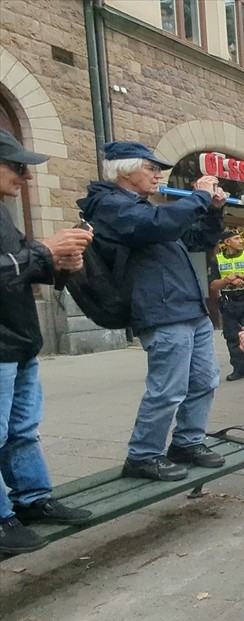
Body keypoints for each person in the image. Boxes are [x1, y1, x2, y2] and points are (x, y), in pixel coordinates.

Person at [79, 141, 228, 481]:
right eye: (151, 168)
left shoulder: (144, 209)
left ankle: (187, 442)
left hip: (188, 308)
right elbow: (157, 225)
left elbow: (196, 240)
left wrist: (214, 212)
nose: (158, 175)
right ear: (124, 171)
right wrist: (200, 197)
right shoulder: (109, 205)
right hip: (161, 310)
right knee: (168, 389)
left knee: (204, 380)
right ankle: (143, 455)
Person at [0, 131, 94, 553]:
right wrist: (44, 250)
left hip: (19, 341)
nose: (26, 177)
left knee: (21, 430)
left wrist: (60, 262)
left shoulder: (4, 215)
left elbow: (20, 268)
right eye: (18, 166)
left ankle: (32, 500)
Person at [209, 230, 244, 381]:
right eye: (237, 238)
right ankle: (239, 369)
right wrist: (227, 280)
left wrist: (241, 276)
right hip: (229, 302)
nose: (241, 241)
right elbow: (213, 285)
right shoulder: (217, 260)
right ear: (227, 242)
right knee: (232, 336)